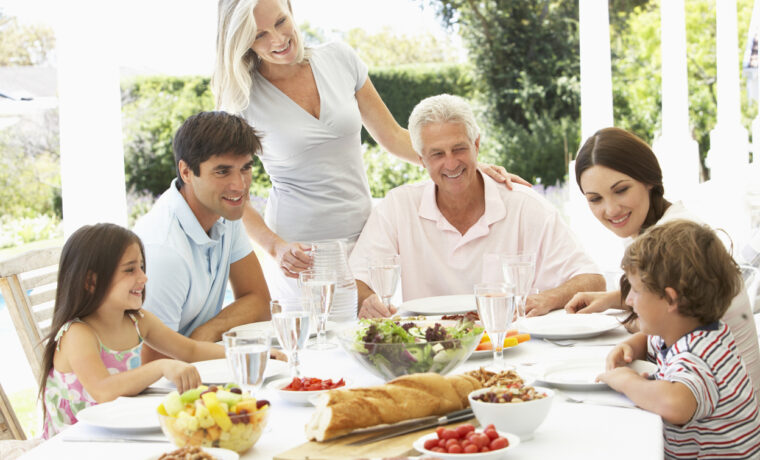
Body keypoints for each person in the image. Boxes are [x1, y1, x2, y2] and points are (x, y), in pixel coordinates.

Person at [211, 0, 526, 300]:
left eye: (281, 21)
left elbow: (393, 137)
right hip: (301, 255)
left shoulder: (339, 59)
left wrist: (464, 165)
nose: (279, 39)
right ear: (243, 42)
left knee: (373, 344)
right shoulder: (241, 100)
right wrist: (276, 247)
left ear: (291, 9)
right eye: (260, 35)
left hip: (369, 240)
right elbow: (229, 194)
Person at [348, 94, 605, 318]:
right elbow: (358, 279)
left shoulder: (524, 206)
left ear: (476, 145)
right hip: (428, 352)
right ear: (421, 159)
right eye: (437, 154)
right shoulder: (398, 206)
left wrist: (549, 298)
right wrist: (368, 301)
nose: (450, 164)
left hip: (509, 346)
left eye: (459, 149)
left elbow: (593, 280)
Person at [565, 126, 760, 400]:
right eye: (595, 199)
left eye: (621, 190)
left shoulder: (677, 242)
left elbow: (670, 317)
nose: (610, 210)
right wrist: (613, 298)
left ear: (649, 180)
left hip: (721, 415)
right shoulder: (665, 227)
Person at [39, 224, 227, 439]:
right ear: (92, 281)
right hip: (75, 446)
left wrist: (247, 353)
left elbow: (190, 350)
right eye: (130, 269)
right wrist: (161, 366)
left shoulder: (137, 320)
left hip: (118, 435)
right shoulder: (78, 333)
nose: (143, 277)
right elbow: (103, 391)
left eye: (141, 267)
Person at [597, 220, 760, 458]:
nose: (629, 300)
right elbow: (649, 341)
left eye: (635, 290)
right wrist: (628, 346)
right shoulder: (690, 332)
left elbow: (674, 404)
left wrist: (626, 381)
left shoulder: (699, 355)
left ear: (671, 300)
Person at [133, 111, 271, 363]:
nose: (239, 185)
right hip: (145, 387)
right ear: (186, 172)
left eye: (246, 168)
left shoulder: (225, 213)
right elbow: (155, 369)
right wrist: (198, 345)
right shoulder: (164, 251)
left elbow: (259, 301)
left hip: (193, 363)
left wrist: (204, 333)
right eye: (222, 172)